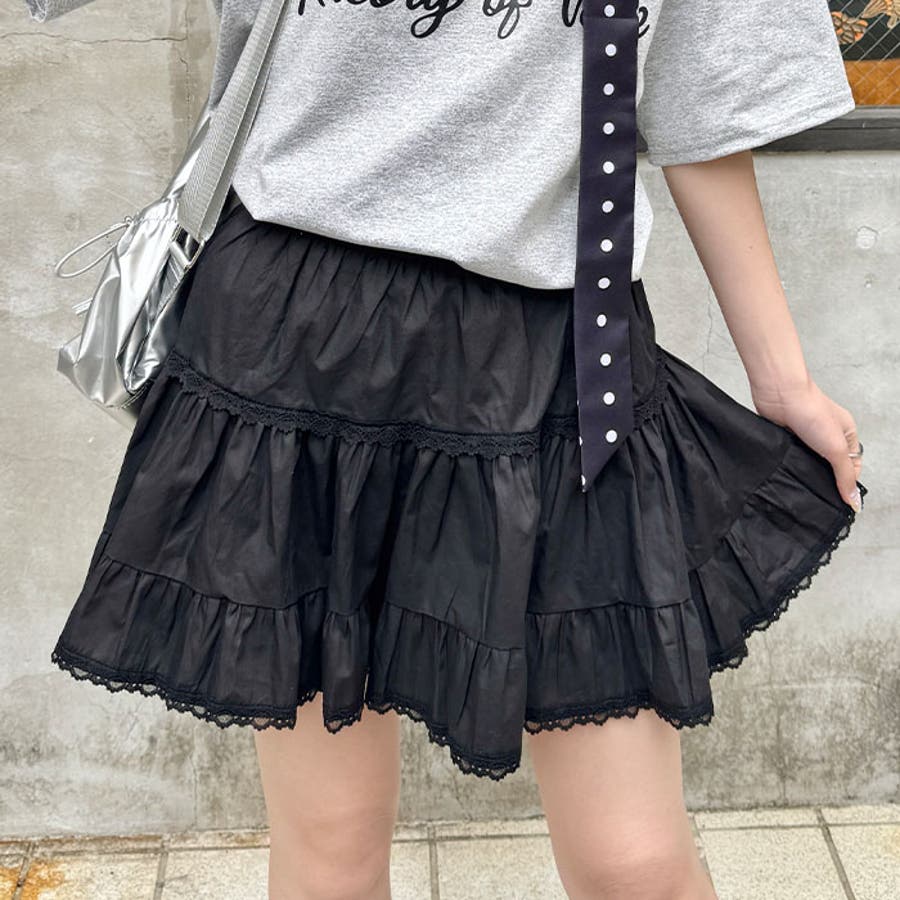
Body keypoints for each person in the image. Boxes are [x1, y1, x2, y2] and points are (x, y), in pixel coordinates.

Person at [27, 0, 869, 897]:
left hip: (558, 351)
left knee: (636, 863)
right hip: (296, 332)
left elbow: (705, 97)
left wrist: (782, 379)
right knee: (332, 848)